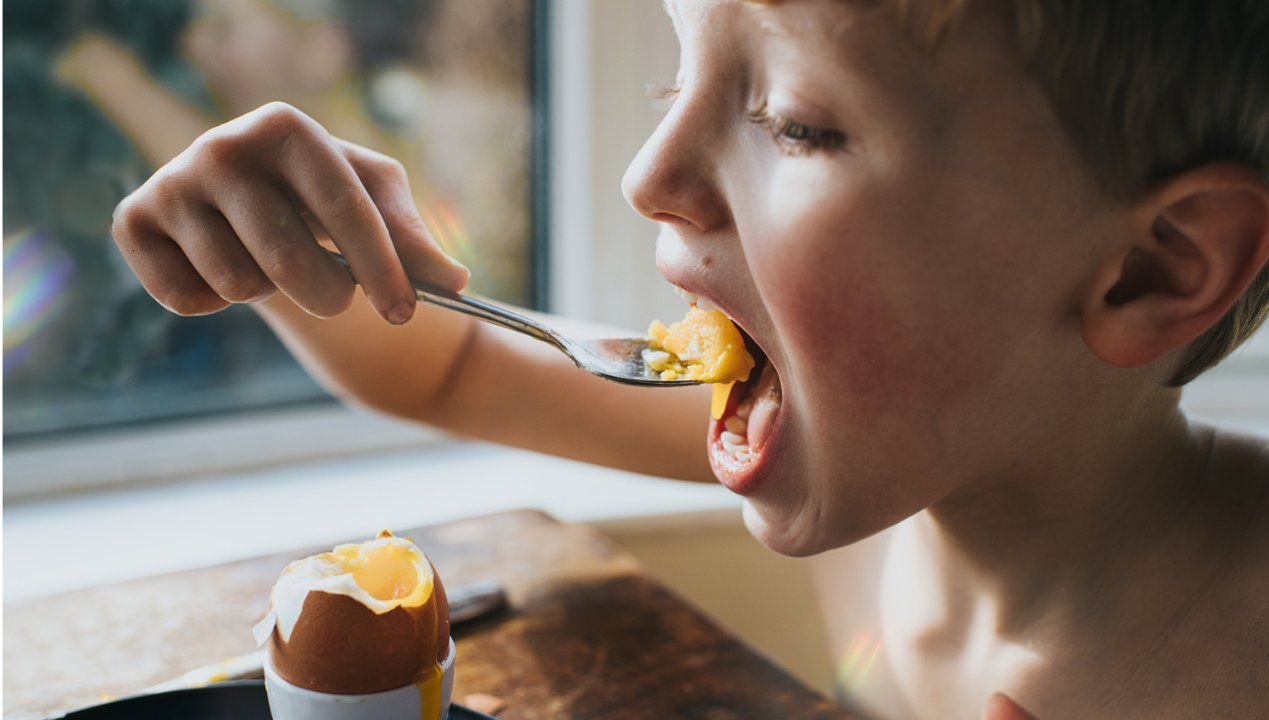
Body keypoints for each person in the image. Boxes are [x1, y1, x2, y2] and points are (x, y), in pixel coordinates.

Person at [107, 1, 1269, 717]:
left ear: (1153, 272)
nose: (646, 177)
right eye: (676, 75)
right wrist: (285, 230)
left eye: (798, 122)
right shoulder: (885, 459)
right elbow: (444, 370)